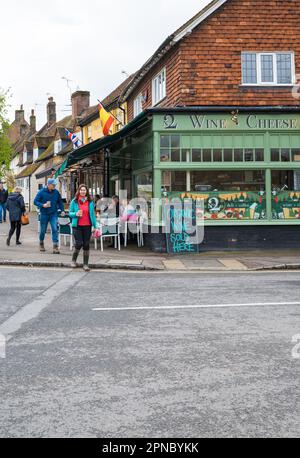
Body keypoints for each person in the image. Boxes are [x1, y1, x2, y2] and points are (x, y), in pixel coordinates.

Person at [69, 184, 97, 272]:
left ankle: (85, 264)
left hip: (87, 226)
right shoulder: (74, 201)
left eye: (84, 190)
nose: (83, 192)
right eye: (81, 190)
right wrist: (75, 214)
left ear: (86, 192)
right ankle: (73, 260)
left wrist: (95, 226)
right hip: (77, 226)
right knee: (79, 243)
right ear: (79, 191)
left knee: (86, 244)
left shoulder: (90, 202)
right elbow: (70, 213)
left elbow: (92, 215)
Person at [34, 178, 65, 254]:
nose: (54, 185)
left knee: (54, 229)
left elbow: (60, 202)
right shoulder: (41, 192)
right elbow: (35, 201)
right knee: (43, 230)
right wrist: (42, 205)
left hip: (53, 214)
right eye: (53, 184)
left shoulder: (56, 192)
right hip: (44, 214)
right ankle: (41, 243)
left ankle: (55, 246)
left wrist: (62, 210)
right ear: (48, 184)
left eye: (55, 184)